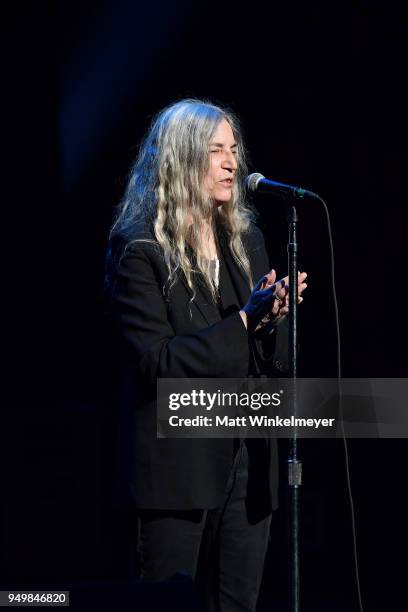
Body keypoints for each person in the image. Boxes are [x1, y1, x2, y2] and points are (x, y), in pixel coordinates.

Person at [105, 98, 307, 611]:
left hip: (248, 464)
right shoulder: (139, 250)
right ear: (180, 160)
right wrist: (244, 322)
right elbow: (158, 362)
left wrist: (274, 319)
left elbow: (273, 362)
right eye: (216, 151)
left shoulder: (247, 240)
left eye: (233, 150)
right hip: (178, 472)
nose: (232, 163)